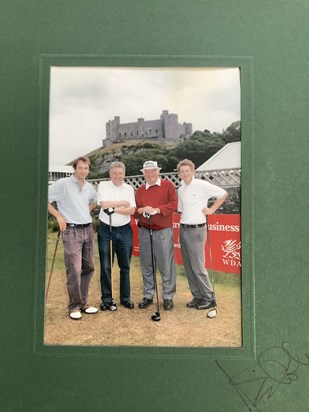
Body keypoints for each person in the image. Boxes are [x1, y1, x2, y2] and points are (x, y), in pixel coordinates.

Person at [48, 156, 98, 320]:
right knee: (74, 270)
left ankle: (84, 303)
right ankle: (74, 306)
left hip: (88, 230)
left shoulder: (89, 187)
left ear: (88, 170)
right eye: (80, 168)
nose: (83, 171)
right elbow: (45, 199)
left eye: (86, 168)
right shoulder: (63, 184)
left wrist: (85, 211)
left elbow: (95, 201)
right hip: (72, 231)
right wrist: (59, 217)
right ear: (74, 168)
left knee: (88, 267)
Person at [177, 159, 228, 310]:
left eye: (187, 171)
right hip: (183, 228)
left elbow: (223, 194)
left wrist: (211, 210)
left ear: (193, 171)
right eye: (182, 171)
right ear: (179, 173)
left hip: (197, 229)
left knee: (198, 266)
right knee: (188, 265)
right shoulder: (181, 189)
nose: (185, 174)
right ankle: (197, 296)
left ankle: (209, 297)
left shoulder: (201, 185)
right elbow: (181, 209)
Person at [134, 160, 178, 311]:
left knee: (166, 263)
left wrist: (158, 210)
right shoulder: (139, 191)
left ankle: (167, 296)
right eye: (147, 172)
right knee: (147, 264)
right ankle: (148, 295)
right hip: (145, 230)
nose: (150, 174)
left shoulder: (167, 186)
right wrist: (141, 211)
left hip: (162, 231)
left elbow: (173, 205)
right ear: (144, 174)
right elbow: (136, 211)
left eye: (153, 171)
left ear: (158, 171)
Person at [97, 161, 136, 311]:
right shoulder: (103, 185)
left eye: (120, 173)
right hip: (106, 230)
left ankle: (125, 298)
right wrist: (122, 203)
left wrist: (116, 209)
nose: (117, 176)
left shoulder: (129, 188)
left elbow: (132, 210)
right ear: (110, 174)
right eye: (114, 173)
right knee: (106, 266)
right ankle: (107, 299)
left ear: (124, 174)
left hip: (124, 230)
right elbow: (104, 204)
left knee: (125, 266)